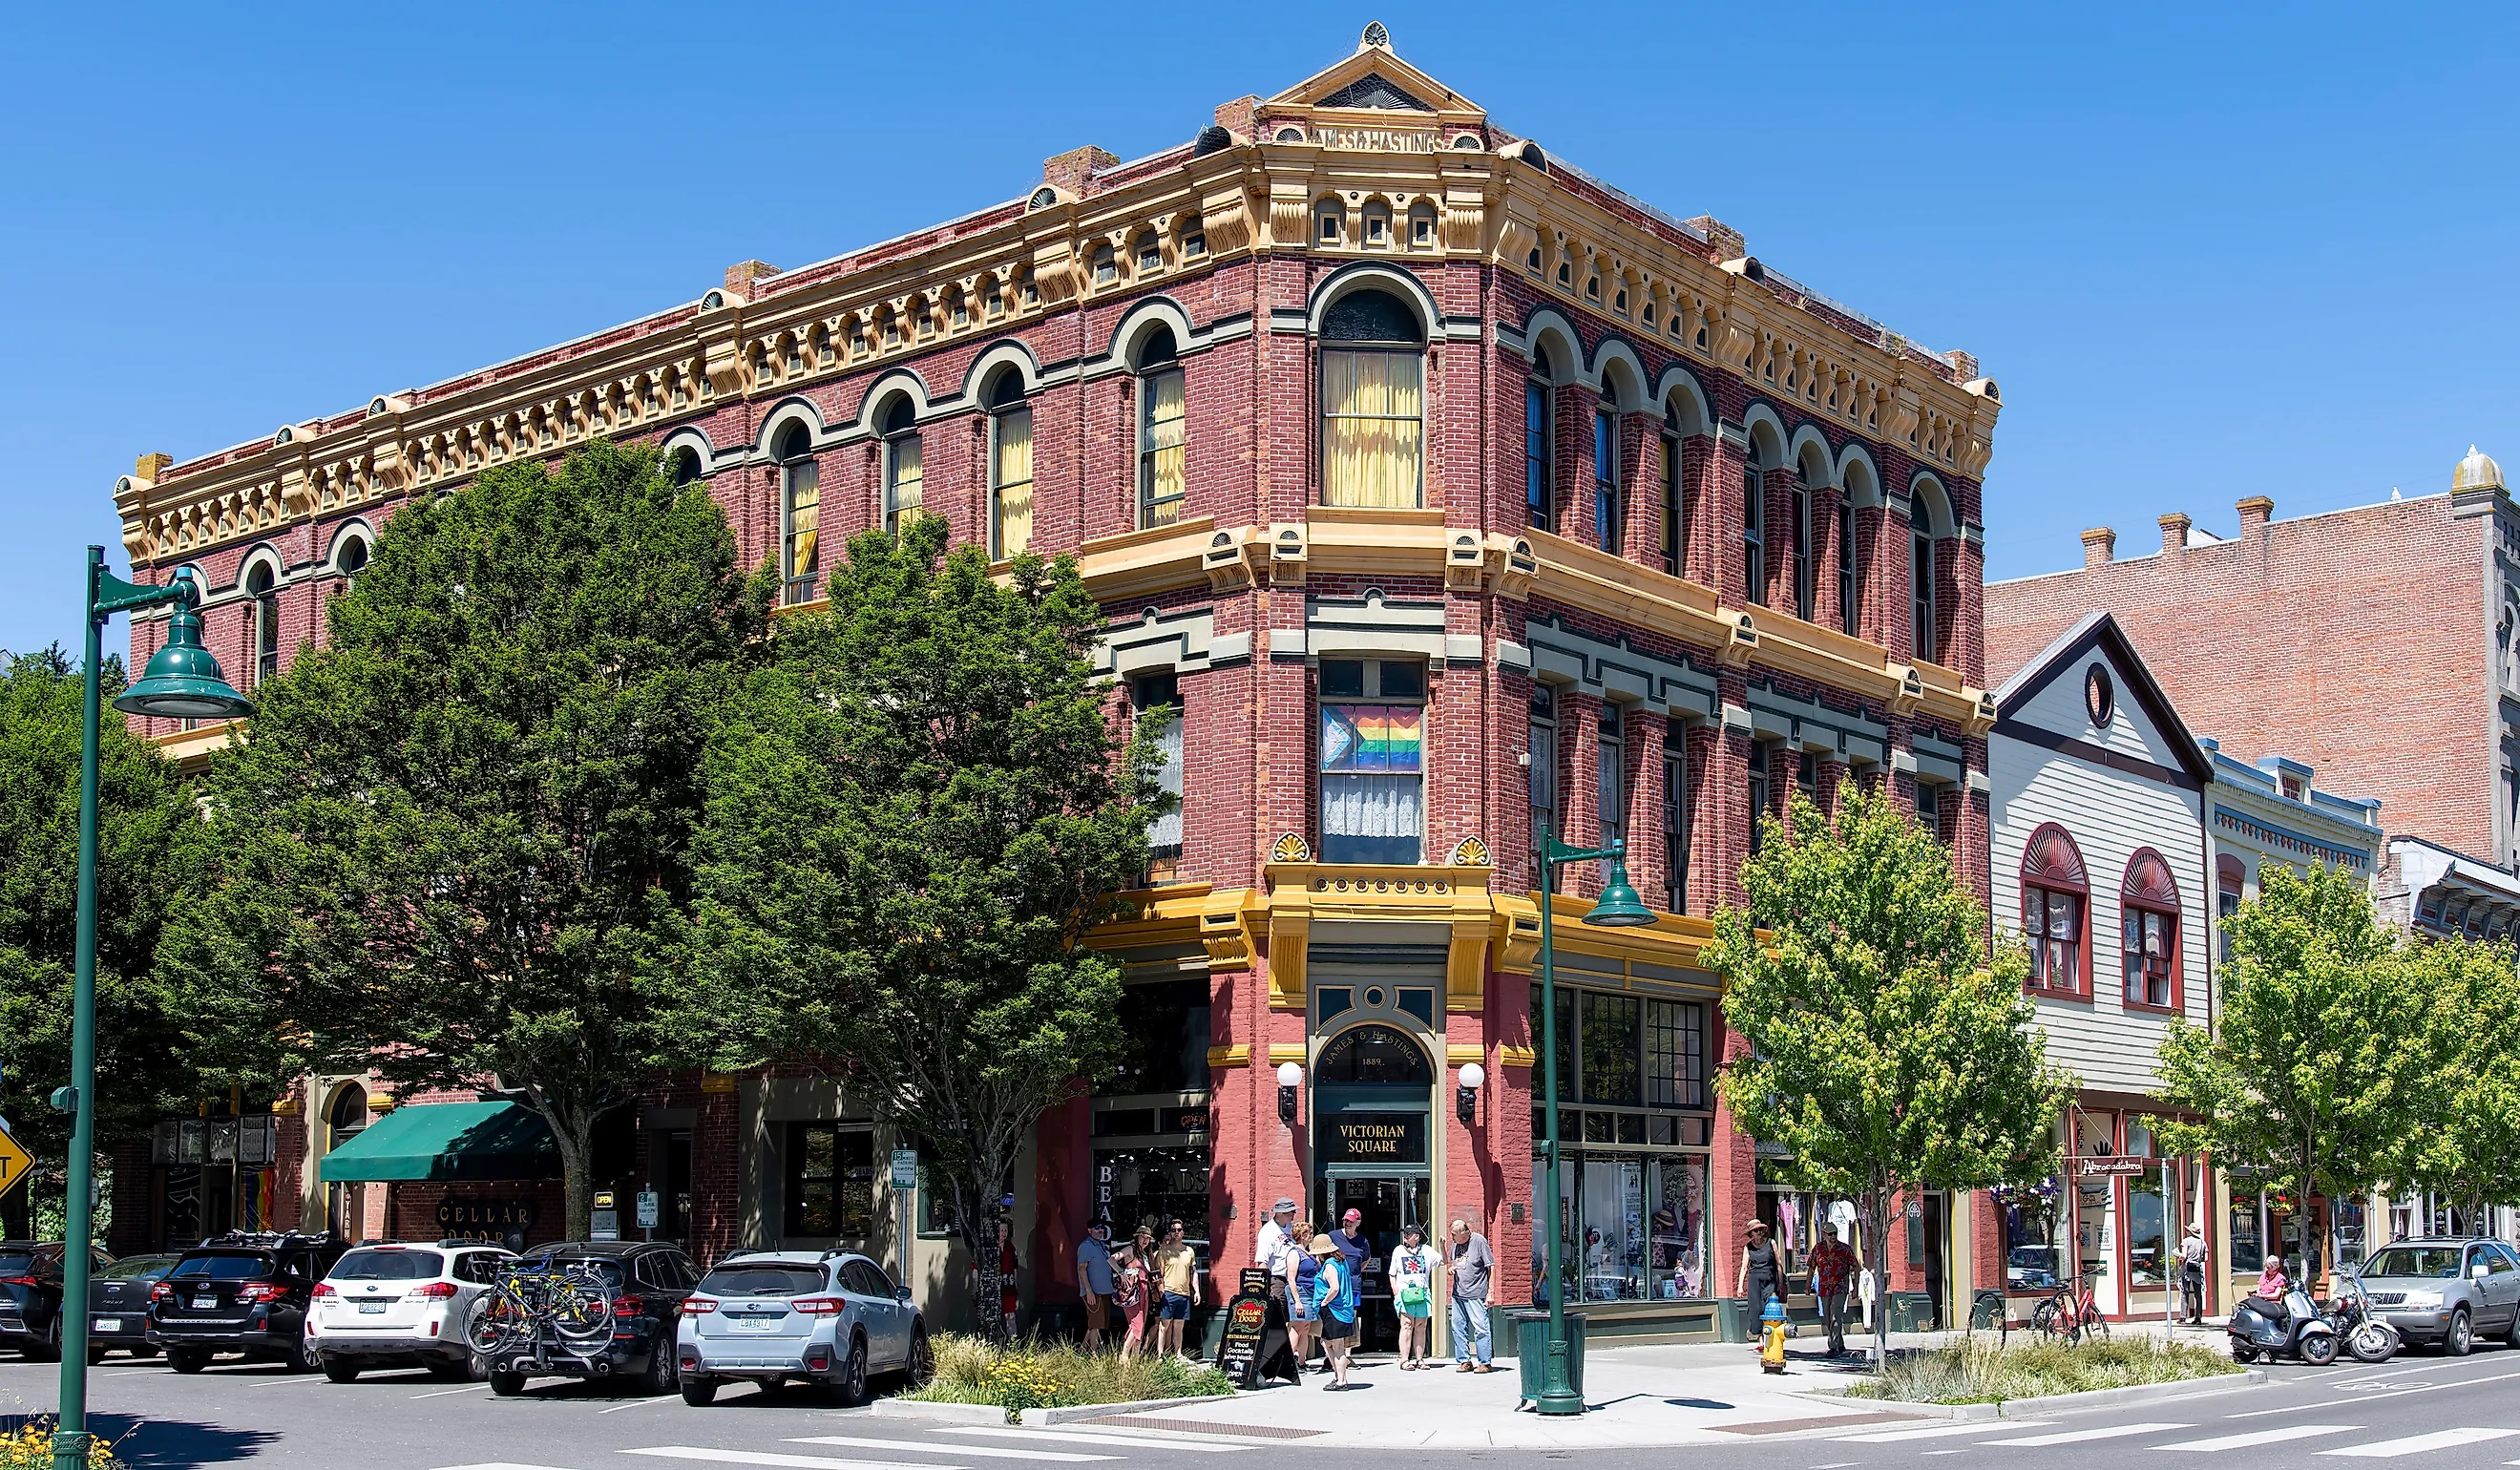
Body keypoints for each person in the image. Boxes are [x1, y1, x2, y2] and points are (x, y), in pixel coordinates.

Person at [1308, 1234, 1357, 1389]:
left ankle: (1341, 1380)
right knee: (1327, 1343)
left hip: (1334, 1309)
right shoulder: (1340, 1262)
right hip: (1343, 1309)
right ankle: (1337, 1376)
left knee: (1337, 1346)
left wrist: (1325, 1301)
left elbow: (1335, 1287)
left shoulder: (1329, 1265)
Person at [1447, 1218, 1495, 1372]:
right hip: (1458, 1293)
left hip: (1476, 1293)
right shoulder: (1456, 1244)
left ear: (1464, 1233)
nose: (1452, 1238)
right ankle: (1464, 1361)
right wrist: (1451, 1269)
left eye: (1454, 1235)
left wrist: (1491, 1292)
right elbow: (1454, 1263)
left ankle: (1485, 1362)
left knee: (1481, 1327)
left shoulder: (1479, 1241)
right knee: (1458, 1327)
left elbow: (1491, 1267)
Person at [1389, 1223, 1437, 1369]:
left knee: (1421, 1326)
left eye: (1409, 1234)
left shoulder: (1426, 1250)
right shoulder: (1398, 1251)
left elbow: (1442, 1261)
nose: (1406, 1236)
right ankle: (1404, 1360)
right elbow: (1392, 1273)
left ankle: (1420, 1359)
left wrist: (1442, 1247)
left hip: (1422, 1293)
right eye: (1405, 1234)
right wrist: (1395, 1291)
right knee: (1406, 1325)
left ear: (1416, 1236)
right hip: (1405, 1293)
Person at [1154, 1218, 1203, 1361]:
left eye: (1179, 1230)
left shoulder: (1189, 1251)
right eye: (1174, 1230)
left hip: (1184, 1293)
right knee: (1164, 1325)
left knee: (1179, 1326)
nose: (1176, 1232)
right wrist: (1161, 1291)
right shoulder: (1164, 1251)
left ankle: (1178, 1354)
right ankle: (1160, 1355)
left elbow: (1193, 1272)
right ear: (1170, 1232)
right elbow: (1159, 1274)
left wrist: (1197, 1291)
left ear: (1183, 1232)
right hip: (1168, 1292)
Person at [1809, 1222, 1856, 1355]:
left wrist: (1856, 1287)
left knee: (1836, 1314)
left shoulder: (1845, 1249)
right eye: (1830, 1234)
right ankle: (1840, 1343)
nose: (1833, 1236)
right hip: (1824, 1287)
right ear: (1824, 1235)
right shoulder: (1818, 1249)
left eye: (1835, 1233)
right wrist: (1807, 1285)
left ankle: (1833, 1347)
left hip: (1840, 1287)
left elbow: (1856, 1267)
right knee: (1828, 1318)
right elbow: (1811, 1268)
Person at [1737, 1218, 1780, 1353]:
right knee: (1756, 1310)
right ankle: (1761, 1341)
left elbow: (1778, 1263)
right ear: (1751, 1234)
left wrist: (1781, 1282)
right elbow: (1744, 1267)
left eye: (1761, 1229)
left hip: (1770, 1279)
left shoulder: (1771, 1243)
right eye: (1756, 1231)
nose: (1759, 1232)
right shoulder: (1748, 1247)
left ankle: (1770, 1340)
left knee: (1769, 1309)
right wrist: (1740, 1286)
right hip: (1754, 1280)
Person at [1287, 1222, 1321, 1374]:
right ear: (1302, 1236)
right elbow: (1291, 1278)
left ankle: (1302, 1362)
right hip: (1300, 1291)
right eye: (1309, 1233)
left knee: (1305, 1328)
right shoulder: (1294, 1252)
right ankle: (1288, 1361)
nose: (1311, 1236)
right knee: (1297, 1327)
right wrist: (1297, 1301)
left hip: (1311, 1292)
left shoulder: (1309, 1252)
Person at [1077, 1218, 1117, 1352]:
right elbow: (1082, 1269)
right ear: (1089, 1230)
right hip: (1094, 1292)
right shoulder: (1085, 1246)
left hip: (1105, 1291)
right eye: (1097, 1228)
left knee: (1098, 1324)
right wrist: (1088, 1291)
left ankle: (1082, 1350)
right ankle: (1094, 1355)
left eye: (1102, 1228)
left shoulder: (1102, 1246)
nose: (1100, 1230)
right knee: (1095, 1324)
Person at [1113, 1242, 1152, 1358]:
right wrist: (1121, 1273)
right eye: (1142, 1236)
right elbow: (1111, 1259)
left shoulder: (1145, 1253)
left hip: (1144, 1291)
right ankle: (1124, 1355)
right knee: (1137, 1324)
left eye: (1147, 1238)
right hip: (1132, 1291)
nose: (1145, 1240)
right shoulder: (1130, 1249)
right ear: (1137, 1237)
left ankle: (1134, 1358)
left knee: (1140, 1325)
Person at [1255, 1197, 1296, 1298]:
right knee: (1278, 1309)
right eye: (1291, 1212)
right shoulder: (1268, 1231)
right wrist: (1265, 1284)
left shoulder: (1290, 1227)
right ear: (1280, 1213)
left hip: (1292, 1278)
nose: (1293, 1216)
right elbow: (1262, 1261)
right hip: (1277, 1279)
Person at [2178, 1225, 2209, 1324]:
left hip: (2187, 1268)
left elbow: (2184, 1256)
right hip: (2197, 1269)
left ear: (2190, 1232)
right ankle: (2198, 1317)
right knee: (2198, 1294)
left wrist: (2178, 1256)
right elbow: (2206, 1258)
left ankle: (2183, 1317)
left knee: (2185, 1292)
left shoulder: (2186, 1241)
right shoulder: (2202, 1242)